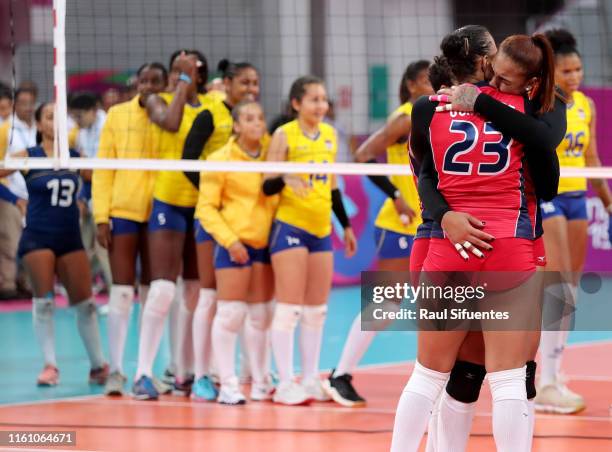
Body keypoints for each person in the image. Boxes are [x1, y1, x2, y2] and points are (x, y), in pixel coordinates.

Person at [391, 27, 560, 452]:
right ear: (486, 61)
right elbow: (550, 178)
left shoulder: (430, 107)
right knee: (509, 379)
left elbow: (426, 177)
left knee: (429, 375)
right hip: (505, 245)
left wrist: (445, 214)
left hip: (446, 244)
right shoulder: (527, 111)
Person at [324, 60, 433, 407]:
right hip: (400, 225)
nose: (436, 86)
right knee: (384, 303)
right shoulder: (407, 115)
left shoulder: (436, 113)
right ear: (413, 84)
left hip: (430, 222)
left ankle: (437, 380)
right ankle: (339, 375)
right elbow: (362, 154)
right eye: (429, 81)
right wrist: (396, 195)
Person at [263, 75, 357, 405]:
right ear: (296, 104)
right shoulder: (283, 134)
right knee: (289, 309)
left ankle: (309, 377)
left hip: (320, 230)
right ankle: (286, 381)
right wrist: (286, 175)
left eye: (323, 99)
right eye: (314, 99)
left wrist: (344, 225)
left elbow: (331, 186)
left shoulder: (330, 135)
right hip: (289, 227)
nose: (321, 105)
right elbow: (266, 184)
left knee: (316, 311)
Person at [532, 28, 612, 415]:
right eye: (566, 71)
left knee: (572, 287)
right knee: (557, 285)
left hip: (578, 197)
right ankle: (544, 382)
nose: (575, 77)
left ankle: (552, 371)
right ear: (552, 73)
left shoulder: (585, 106)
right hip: (550, 197)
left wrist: (608, 202)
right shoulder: (541, 104)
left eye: (579, 69)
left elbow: (593, 157)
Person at [0, 102, 108, 386]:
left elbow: (98, 178)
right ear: (39, 125)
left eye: (60, 117)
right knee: (44, 303)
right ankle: (50, 366)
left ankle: (98, 365)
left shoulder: (75, 157)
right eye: (49, 117)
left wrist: (83, 198)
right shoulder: (29, 156)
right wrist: (15, 200)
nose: (55, 121)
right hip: (38, 236)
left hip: (69, 236)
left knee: (85, 305)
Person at [181, 59, 262, 402]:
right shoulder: (210, 113)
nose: (251, 88)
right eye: (244, 82)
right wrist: (218, 190)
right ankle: (202, 375)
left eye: (255, 82)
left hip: (245, 224)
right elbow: (189, 162)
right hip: (213, 218)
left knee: (250, 308)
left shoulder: (265, 138)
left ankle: (247, 372)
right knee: (210, 298)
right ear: (227, 83)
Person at [132, 50, 208, 400]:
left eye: (189, 69)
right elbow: (172, 123)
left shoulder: (212, 105)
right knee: (163, 289)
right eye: (177, 68)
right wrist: (182, 85)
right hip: (167, 202)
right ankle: (142, 373)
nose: (183, 73)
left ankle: (185, 372)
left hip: (201, 204)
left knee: (194, 292)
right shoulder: (155, 101)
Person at [93, 62, 168, 396]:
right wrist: (101, 216)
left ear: (166, 86)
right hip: (123, 213)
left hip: (159, 215)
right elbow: (103, 168)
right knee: (122, 293)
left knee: (154, 295)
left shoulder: (170, 117)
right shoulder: (117, 115)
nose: (148, 87)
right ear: (136, 83)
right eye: (143, 81)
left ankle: (146, 370)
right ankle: (117, 370)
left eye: (155, 81)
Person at [196, 100, 276, 404]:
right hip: (234, 245)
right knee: (230, 314)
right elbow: (206, 208)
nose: (257, 123)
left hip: (263, 245)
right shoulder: (221, 158)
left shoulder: (272, 153)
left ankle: (259, 382)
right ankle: (228, 385)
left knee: (259, 317)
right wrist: (230, 241)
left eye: (260, 117)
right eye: (249, 118)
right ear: (237, 125)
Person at [70, 92, 112, 293]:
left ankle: (115, 291)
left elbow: (102, 170)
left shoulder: (109, 126)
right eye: (74, 117)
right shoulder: (81, 132)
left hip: (107, 196)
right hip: (88, 194)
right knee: (83, 248)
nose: (77, 121)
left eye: (80, 116)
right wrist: (82, 198)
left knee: (103, 248)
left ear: (94, 111)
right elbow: (84, 170)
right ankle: (84, 290)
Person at [0, 87, 37, 300]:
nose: (28, 107)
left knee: (30, 242)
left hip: (35, 195)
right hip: (11, 195)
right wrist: (13, 198)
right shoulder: (6, 129)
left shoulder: (39, 127)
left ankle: (25, 283)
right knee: (11, 243)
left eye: (31, 102)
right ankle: (7, 286)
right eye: (22, 102)